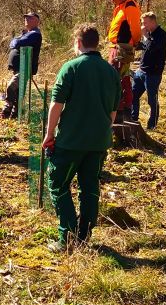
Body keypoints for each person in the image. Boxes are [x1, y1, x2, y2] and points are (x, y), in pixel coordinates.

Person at [41, 23, 121, 252]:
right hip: (99, 143)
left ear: (78, 43)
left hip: (71, 141)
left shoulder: (71, 67)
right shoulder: (111, 72)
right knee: (89, 187)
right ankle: (84, 236)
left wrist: (49, 134)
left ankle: (66, 236)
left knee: (58, 184)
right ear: (97, 44)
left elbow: (56, 105)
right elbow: (112, 113)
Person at [1, 11, 42, 119]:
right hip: (19, 67)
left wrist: (16, 40)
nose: (26, 19)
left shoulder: (34, 34)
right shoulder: (27, 33)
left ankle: (7, 108)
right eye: (25, 18)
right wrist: (17, 39)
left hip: (24, 68)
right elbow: (12, 44)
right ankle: (15, 114)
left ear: (37, 21)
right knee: (18, 91)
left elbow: (16, 43)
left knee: (11, 87)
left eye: (30, 18)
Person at [131, 12, 166, 130]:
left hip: (153, 74)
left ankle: (152, 125)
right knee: (133, 95)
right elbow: (143, 47)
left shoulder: (161, 35)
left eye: (145, 23)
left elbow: (153, 48)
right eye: (142, 23)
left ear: (153, 21)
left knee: (152, 100)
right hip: (141, 71)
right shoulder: (148, 34)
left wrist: (146, 36)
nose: (143, 25)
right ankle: (133, 120)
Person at [104, 0, 142, 70]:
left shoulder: (130, 6)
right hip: (116, 48)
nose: (112, 0)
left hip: (122, 49)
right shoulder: (121, 6)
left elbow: (135, 28)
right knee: (119, 78)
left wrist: (135, 43)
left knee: (115, 78)